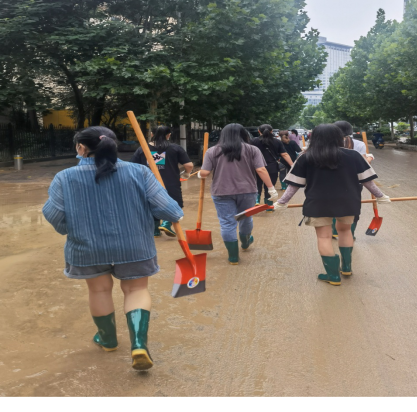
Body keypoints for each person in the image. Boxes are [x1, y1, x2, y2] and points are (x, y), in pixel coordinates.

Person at [43, 127, 184, 371]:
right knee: (136, 289)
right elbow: (168, 210)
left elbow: (54, 215)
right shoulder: (140, 172)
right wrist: (170, 214)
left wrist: (74, 229)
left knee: (99, 290)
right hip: (134, 245)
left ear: (80, 147)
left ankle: (107, 339)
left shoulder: (64, 177)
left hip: (88, 247)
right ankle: (138, 344)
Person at [274, 124, 390, 284]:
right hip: (347, 201)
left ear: (314, 138)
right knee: (346, 231)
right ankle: (346, 267)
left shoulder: (306, 157)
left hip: (318, 203)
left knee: (324, 237)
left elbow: (294, 185)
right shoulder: (353, 155)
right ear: (339, 138)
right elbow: (367, 181)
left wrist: (282, 202)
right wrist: (381, 196)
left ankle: (333, 276)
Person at [198, 124, 278, 265]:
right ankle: (245, 242)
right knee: (245, 218)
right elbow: (261, 170)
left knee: (227, 223)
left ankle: (233, 257)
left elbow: (205, 173)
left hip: (221, 192)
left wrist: (199, 174)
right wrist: (271, 188)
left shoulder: (212, 151)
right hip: (247, 191)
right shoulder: (253, 150)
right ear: (243, 134)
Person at [131, 126, 193, 238]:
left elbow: (132, 167)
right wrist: (186, 173)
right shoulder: (175, 148)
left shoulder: (142, 149)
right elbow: (189, 165)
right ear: (168, 135)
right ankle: (166, 223)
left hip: (148, 184)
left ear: (151, 134)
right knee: (176, 203)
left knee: (151, 205)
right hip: (171, 183)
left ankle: (155, 230)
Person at [332, 121, 375, 240]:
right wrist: (369, 158)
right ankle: (349, 234)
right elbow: (362, 165)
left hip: (332, 181)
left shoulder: (329, 144)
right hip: (354, 181)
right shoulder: (359, 144)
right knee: (353, 206)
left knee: (333, 205)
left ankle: (335, 231)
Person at [252, 124, 294, 211]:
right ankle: (269, 207)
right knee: (269, 186)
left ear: (259, 131)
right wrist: (292, 165)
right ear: (272, 131)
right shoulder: (277, 142)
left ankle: (256, 202)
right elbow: (284, 154)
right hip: (272, 168)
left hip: (256, 167)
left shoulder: (253, 141)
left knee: (256, 185)